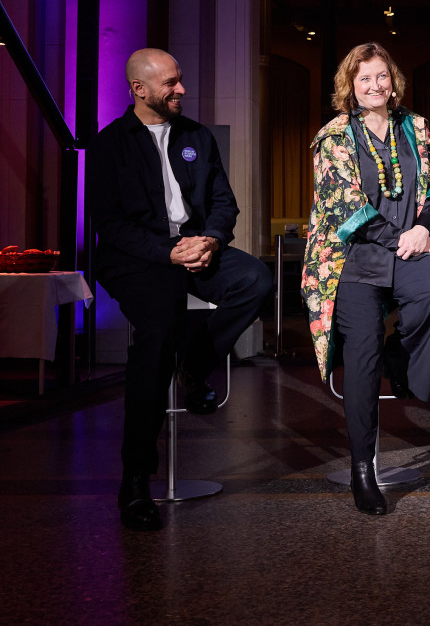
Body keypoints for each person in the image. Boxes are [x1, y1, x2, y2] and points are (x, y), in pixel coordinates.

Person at [88, 48, 272, 532]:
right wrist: (166, 253)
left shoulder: (197, 137)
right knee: (157, 335)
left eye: (180, 80)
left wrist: (210, 239)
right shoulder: (111, 145)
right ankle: (134, 482)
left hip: (197, 247)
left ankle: (197, 361)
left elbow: (222, 202)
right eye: (170, 83)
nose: (181, 90)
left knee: (256, 279)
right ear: (139, 89)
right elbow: (109, 225)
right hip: (139, 260)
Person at [301, 42, 430, 515]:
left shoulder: (415, 127)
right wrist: (406, 239)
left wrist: (425, 228)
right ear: (350, 85)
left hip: (408, 247)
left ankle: (401, 357)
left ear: (394, 81)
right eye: (364, 78)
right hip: (352, 259)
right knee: (363, 360)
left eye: (382, 76)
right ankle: (362, 469)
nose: (375, 86)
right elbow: (345, 209)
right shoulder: (334, 135)